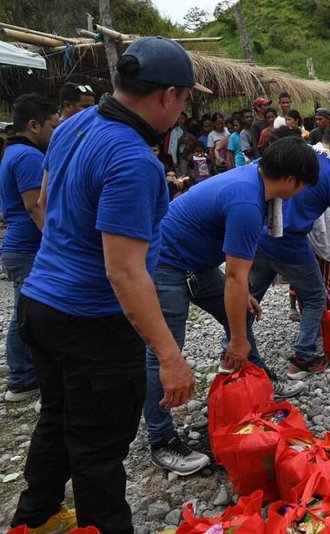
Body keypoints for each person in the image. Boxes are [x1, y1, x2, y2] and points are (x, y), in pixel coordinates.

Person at [11, 36, 208, 534]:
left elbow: (54, 201)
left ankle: (36, 518)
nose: (183, 110)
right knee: (99, 447)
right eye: (185, 98)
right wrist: (169, 356)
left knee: (56, 419)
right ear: (166, 96)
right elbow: (124, 271)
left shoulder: (74, 125)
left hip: (40, 303)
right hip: (90, 321)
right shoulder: (133, 160)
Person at [144, 137, 318, 475]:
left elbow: (237, 281)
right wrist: (236, 339)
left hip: (199, 264)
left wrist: (238, 305)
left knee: (242, 313)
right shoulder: (247, 203)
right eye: (304, 187)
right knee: (165, 352)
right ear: (293, 181)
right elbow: (238, 277)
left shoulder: (255, 178)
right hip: (167, 265)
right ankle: (161, 439)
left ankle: (262, 379)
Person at [249, 124, 330, 378]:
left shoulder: (293, 155)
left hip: (262, 236)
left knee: (250, 296)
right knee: (315, 298)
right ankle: (302, 359)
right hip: (291, 243)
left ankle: (233, 350)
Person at [0, 94, 58, 403]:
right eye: (51, 125)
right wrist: (58, 243)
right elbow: (36, 206)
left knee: (24, 312)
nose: (54, 131)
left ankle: (23, 374)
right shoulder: (29, 157)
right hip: (27, 247)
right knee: (28, 315)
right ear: (34, 125)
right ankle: (22, 377)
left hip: (18, 245)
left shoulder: (13, 152)